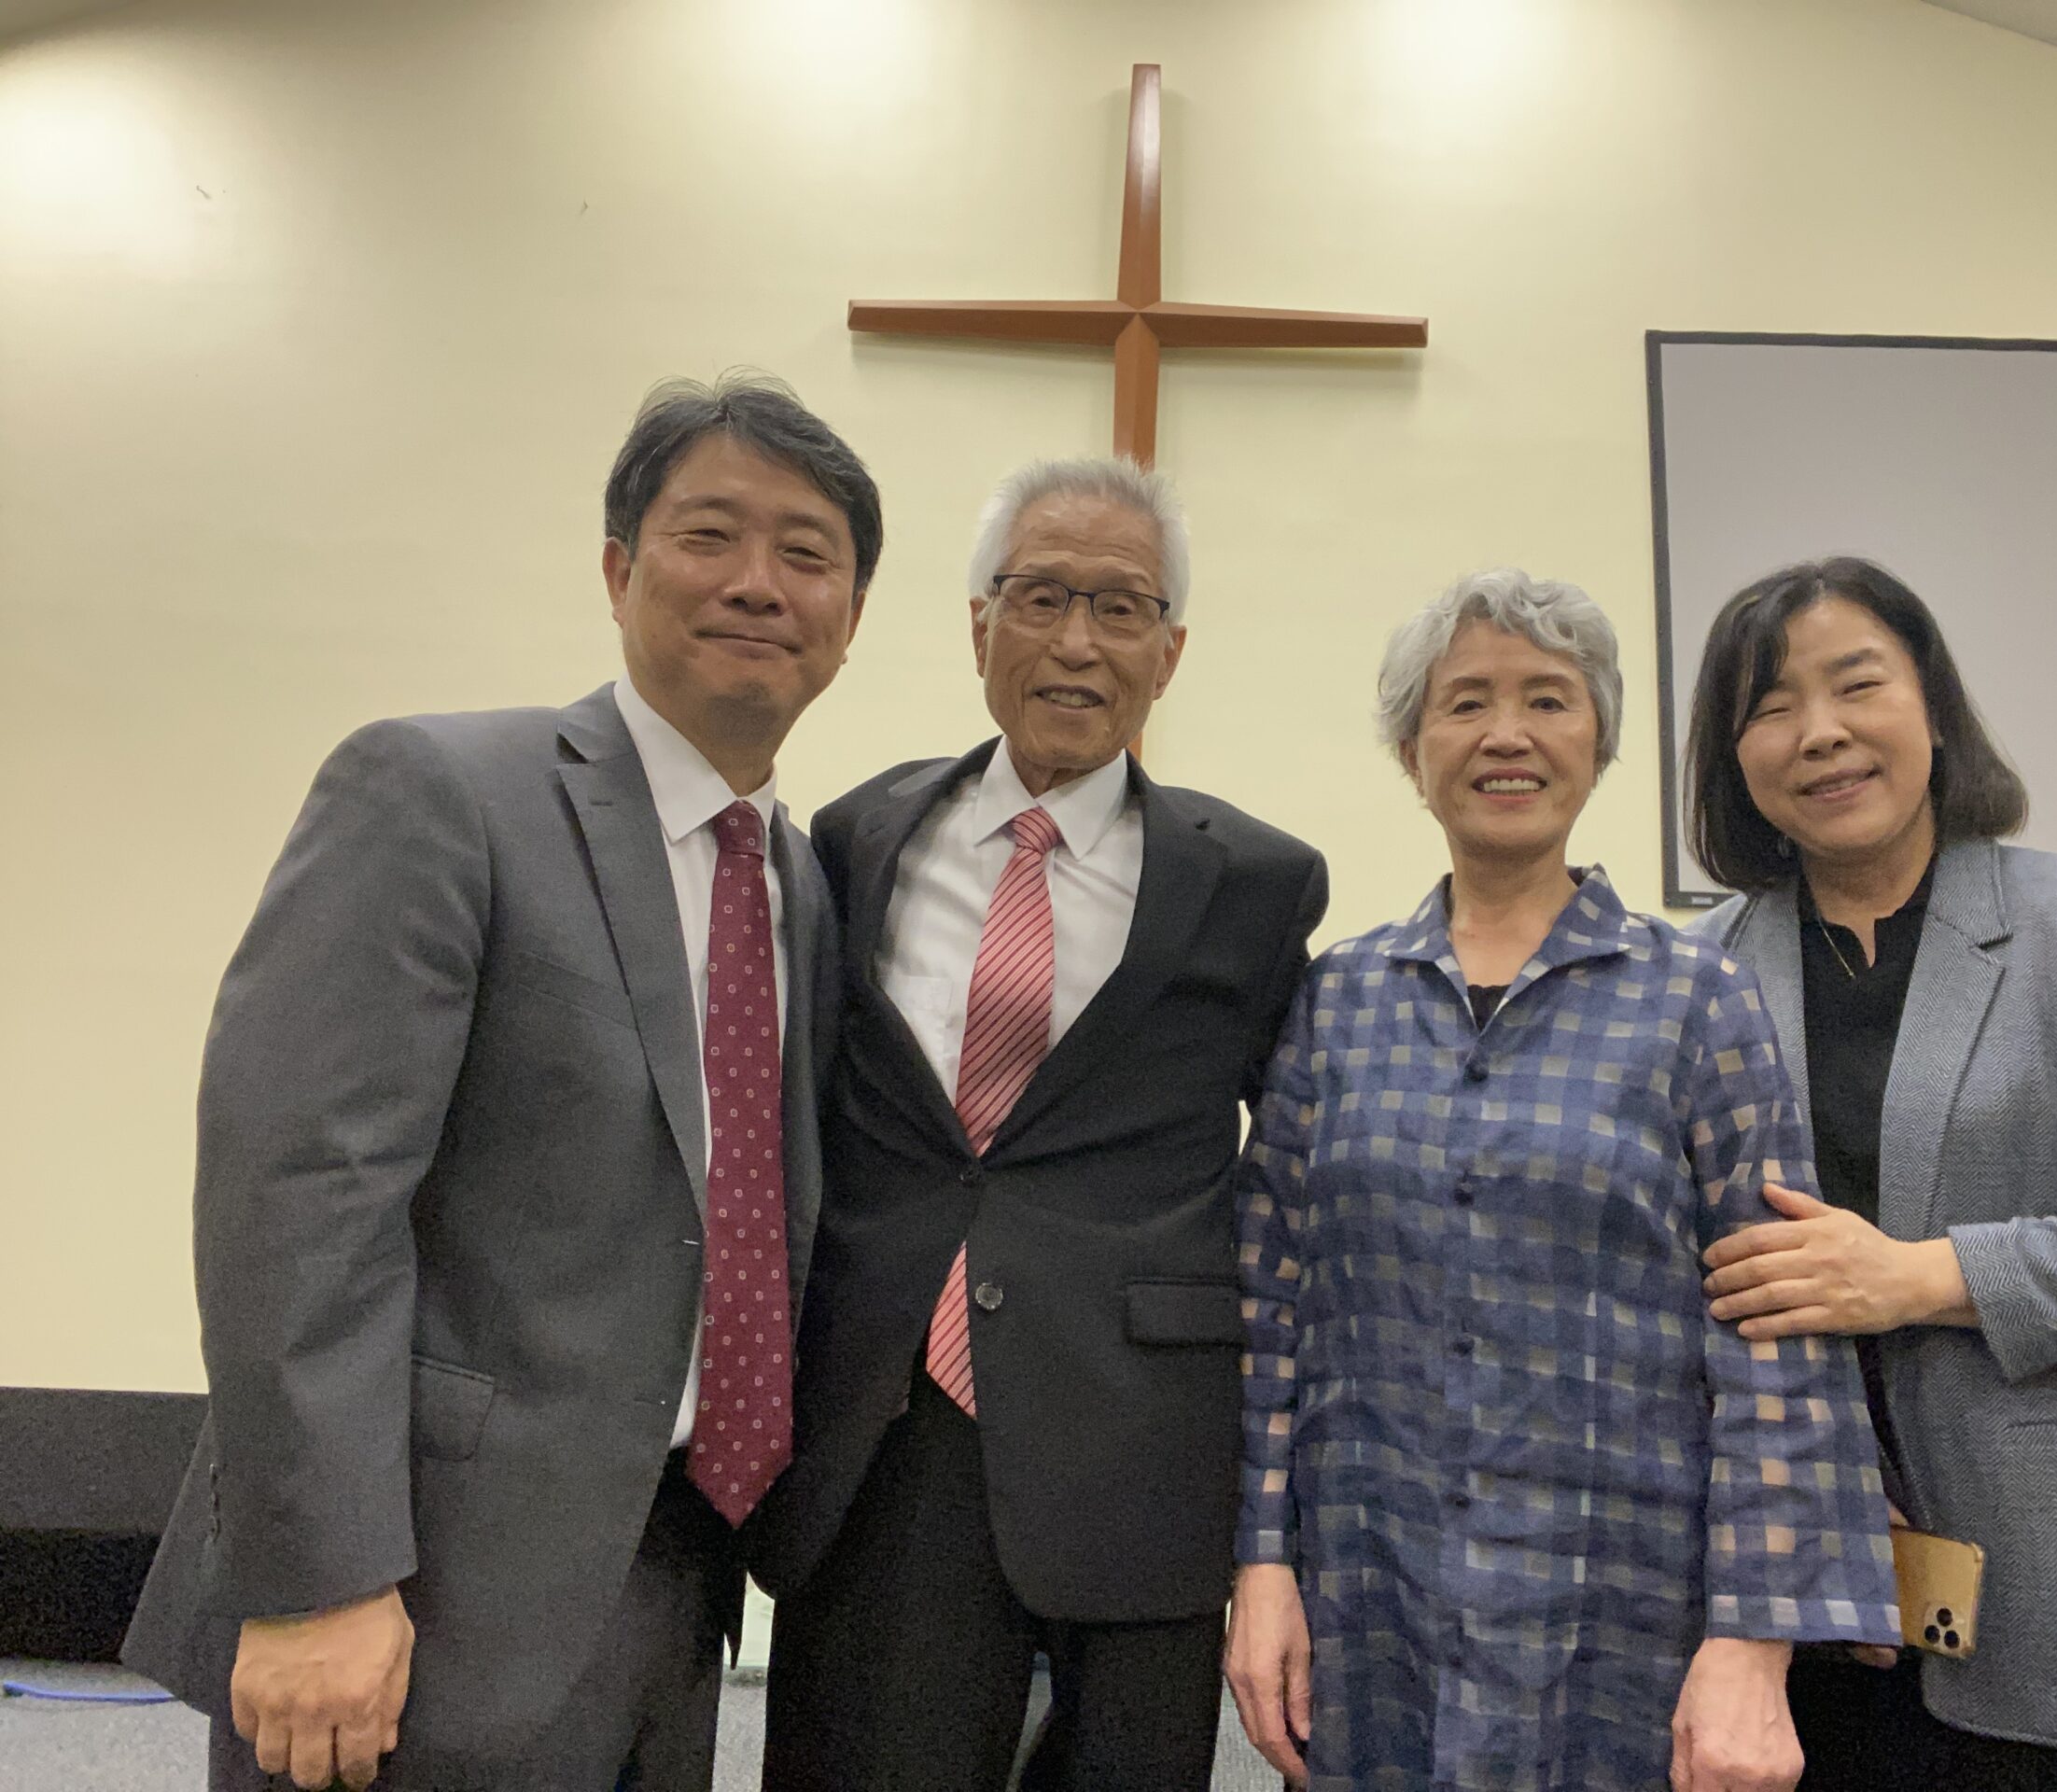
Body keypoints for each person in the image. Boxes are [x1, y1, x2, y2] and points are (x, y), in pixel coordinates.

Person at [122, 373, 879, 1791]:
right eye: (710, 534)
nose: (758, 582)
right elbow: (301, 1193)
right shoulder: (442, 791)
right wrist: (321, 1579)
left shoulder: (800, 881)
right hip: (417, 1589)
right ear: (618, 570)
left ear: (850, 617)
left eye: (807, 553)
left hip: (677, 1574)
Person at [1225, 568, 1899, 1792]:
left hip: (1625, 1624)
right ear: (1412, 750)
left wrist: (1754, 1644)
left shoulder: (1697, 1000)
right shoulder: (1338, 1001)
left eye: (1548, 699)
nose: (1508, 734)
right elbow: (1273, 1311)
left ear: (1599, 743)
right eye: (1465, 702)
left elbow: (1778, 1330)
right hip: (1374, 1606)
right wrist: (1263, 1565)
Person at [746, 455, 1329, 1792]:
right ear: (978, 626)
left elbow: (1301, 1169)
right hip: (889, 1428)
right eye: (1042, 596)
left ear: (1170, 652)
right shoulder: (855, 838)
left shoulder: (1252, 884)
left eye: (1121, 608)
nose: (1077, 641)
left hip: (1141, 1446)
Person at [1681, 556, 2057, 1791]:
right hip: (1813, 1622)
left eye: (1858, 684)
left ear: (1933, 704)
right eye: (1772, 707)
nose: (1821, 732)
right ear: (1733, 758)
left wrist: (1921, 1277)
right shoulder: (1695, 974)